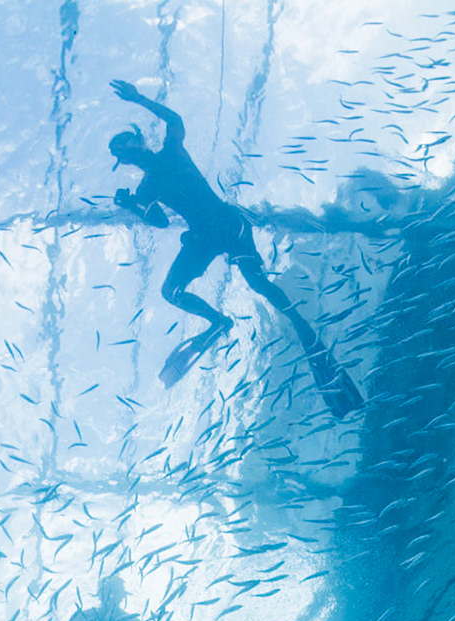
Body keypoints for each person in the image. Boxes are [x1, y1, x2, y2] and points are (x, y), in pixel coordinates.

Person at [109, 79, 362, 413]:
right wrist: (133, 206)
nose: (131, 154)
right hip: (203, 236)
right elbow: (160, 221)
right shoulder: (147, 185)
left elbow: (174, 121)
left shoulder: (171, 152)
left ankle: (300, 326)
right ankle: (219, 322)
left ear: (141, 143)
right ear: (127, 162)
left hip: (228, 224)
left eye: (130, 146)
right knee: (171, 291)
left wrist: (139, 98)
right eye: (124, 154)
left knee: (258, 283)